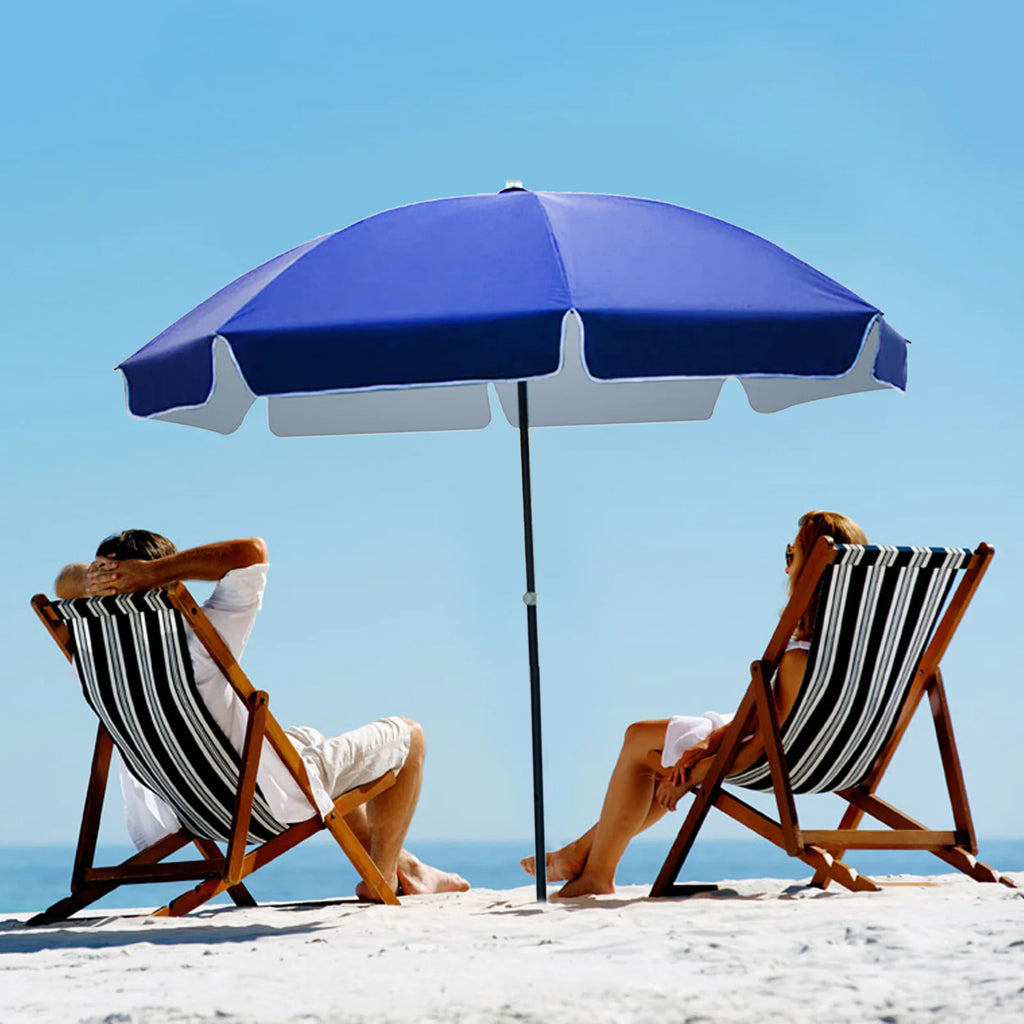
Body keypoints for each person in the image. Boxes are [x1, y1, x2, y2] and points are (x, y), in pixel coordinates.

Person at [55, 529, 469, 901]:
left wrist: (102, 577)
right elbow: (252, 552)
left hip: (185, 809)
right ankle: (383, 875)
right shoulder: (200, 636)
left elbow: (61, 582)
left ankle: (408, 865)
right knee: (410, 736)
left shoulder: (90, 652)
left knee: (305, 740)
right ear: (165, 580)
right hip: (259, 807)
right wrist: (155, 570)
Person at [521, 511, 868, 898]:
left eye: (792, 555)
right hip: (832, 753)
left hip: (776, 756)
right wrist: (704, 747)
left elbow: (764, 743)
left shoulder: (798, 659)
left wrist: (700, 771)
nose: (785, 565)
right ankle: (581, 853)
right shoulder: (860, 650)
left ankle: (595, 872)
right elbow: (769, 721)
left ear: (814, 569)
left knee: (640, 742)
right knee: (666, 744)